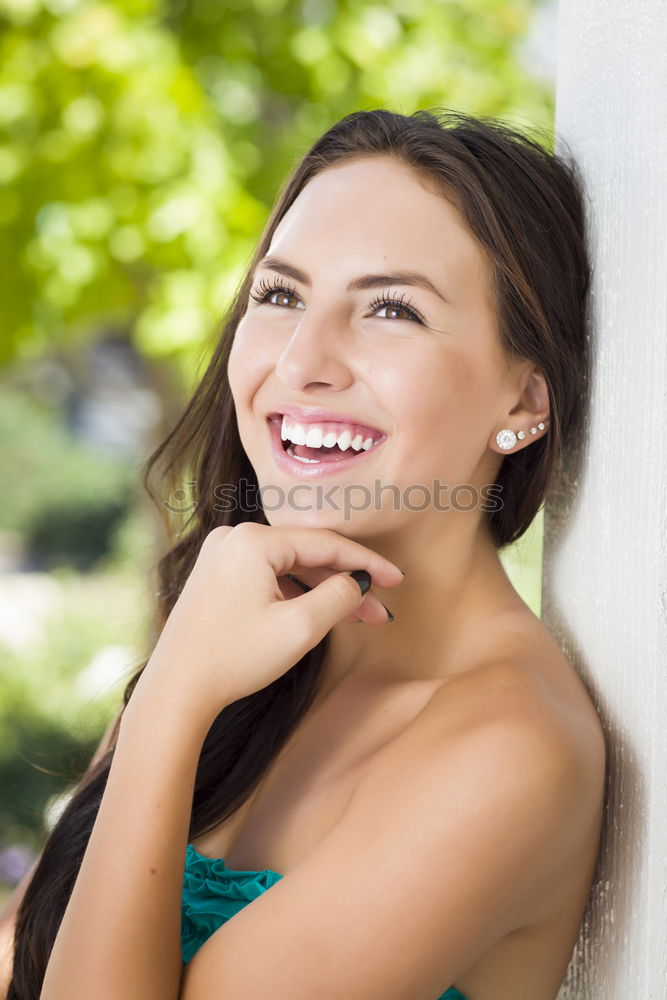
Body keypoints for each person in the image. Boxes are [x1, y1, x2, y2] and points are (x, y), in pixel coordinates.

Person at [2, 107, 606, 1000]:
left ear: (524, 398)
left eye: (390, 309)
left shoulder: (507, 747)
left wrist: (171, 699)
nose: (300, 361)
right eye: (280, 295)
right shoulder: (238, 635)